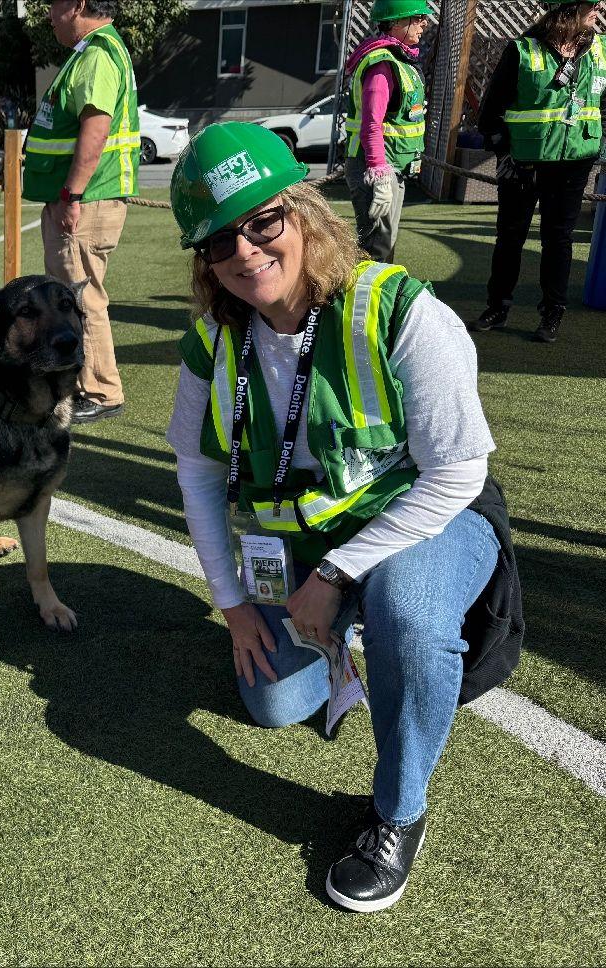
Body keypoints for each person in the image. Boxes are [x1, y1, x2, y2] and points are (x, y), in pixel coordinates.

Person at [167, 123, 522, 912]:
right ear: (206, 261)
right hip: (297, 540)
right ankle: (349, 631)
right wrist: (232, 607)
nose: (248, 251)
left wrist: (335, 575)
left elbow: (459, 471)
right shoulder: (212, 342)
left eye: (265, 221)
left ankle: (400, 813)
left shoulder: (397, 308)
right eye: (222, 240)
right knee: (273, 704)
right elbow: (194, 472)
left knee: (408, 611)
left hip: (429, 520)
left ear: (305, 213)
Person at [23, 0, 139, 425]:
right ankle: (89, 383)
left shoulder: (96, 55)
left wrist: (72, 195)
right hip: (84, 200)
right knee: (78, 296)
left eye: (53, 5)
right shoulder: (97, 52)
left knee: (82, 300)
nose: (49, 15)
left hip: (85, 202)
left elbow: (96, 127)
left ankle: (102, 391)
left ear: (79, 4)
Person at [472, 0, 604, 343]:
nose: (601, 7)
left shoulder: (600, 51)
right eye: (594, 3)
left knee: (558, 239)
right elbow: (489, 114)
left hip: (575, 163)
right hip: (522, 163)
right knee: (511, 235)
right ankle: (497, 307)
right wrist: (508, 152)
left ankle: (552, 313)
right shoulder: (522, 51)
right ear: (570, 8)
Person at [343, 0, 429, 262]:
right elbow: (371, 123)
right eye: (417, 18)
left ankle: (376, 300)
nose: (424, 23)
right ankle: (366, 302)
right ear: (395, 23)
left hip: (390, 167)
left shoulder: (400, 60)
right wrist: (379, 175)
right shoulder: (382, 65)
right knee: (377, 248)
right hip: (375, 168)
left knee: (383, 245)